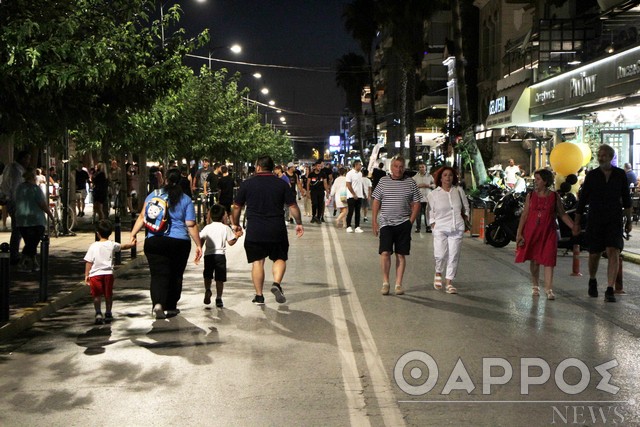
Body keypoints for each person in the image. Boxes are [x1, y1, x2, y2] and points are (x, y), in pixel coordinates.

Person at [130, 169, 203, 319]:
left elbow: (142, 217)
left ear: (165, 180)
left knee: (157, 275)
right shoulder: (185, 199)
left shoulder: (153, 195)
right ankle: (170, 306)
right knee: (176, 275)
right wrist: (199, 245)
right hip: (179, 242)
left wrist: (133, 234)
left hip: (154, 241)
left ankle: (157, 303)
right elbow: (190, 224)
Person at [231, 155, 304, 305]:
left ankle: (259, 296)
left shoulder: (247, 184)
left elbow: (237, 206)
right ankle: (276, 283)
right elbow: (293, 206)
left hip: (255, 229)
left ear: (258, 167)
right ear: (272, 168)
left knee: (257, 262)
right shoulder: (281, 184)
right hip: (276, 228)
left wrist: (235, 224)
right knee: (279, 258)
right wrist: (299, 223)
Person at [573, 144, 632, 302]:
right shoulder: (592, 175)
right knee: (594, 253)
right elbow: (583, 200)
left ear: (611, 157)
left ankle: (610, 288)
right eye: (599, 155)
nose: (600, 158)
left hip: (614, 219)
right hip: (595, 219)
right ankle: (592, 279)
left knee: (614, 251)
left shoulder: (620, 175)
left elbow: (627, 200)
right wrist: (577, 222)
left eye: (604, 155)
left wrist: (629, 221)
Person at [515, 169, 574, 300]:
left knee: (549, 260)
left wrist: (573, 227)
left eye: (538, 179)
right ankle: (535, 285)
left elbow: (562, 214)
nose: (535, 182)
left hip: (549, 232)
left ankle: (549, 289)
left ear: (545, 181)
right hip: (532, 232)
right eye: (535, 179)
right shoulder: (530, 196)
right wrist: (519, 233)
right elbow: (524, 215)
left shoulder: (554, 196)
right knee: (535, 260)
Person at [371, 156, 421, 296]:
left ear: (404, 168)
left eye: (401, 167)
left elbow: (417, 203)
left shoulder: (410, 182)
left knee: (401, 255)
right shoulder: (383, 181)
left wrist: (410, 221)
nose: (398, 169)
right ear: (391, 167)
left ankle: (398, 284)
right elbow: (376, 201)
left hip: (403, 223)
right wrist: (374, 221)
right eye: (396, 166)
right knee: (385, 252)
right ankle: (385, 282)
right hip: (386, 223)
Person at [427, 166, 470, 295]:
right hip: (440, 228)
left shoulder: (458, 191)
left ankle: (449, 282)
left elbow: (466, 206)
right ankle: (438, 273)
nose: (448, 178)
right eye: (445, 175)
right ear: (440, 178)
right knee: (440, 254)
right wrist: (433, 224)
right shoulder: (433, 194)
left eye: (450, 175)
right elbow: (429, 212)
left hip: (456, 227)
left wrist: (466, 217)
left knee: (454, 255)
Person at [84, 219, 136, 324]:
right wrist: (131, 245)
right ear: (110, 232)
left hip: (95, 275)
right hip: (108, 274)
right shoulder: (111, 244)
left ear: (97, 233)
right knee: (108, 295)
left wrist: (86, 275)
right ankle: (108, 312)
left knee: (97, 296)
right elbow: (122, 246)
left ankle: (98, 312)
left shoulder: (93, 246)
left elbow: (88, 262)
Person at [199, 204, 243, 308]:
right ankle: (219, 298)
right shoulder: (225, 228)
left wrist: (199, 248)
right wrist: (237, 236)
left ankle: (208, 289)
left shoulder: (207, 228)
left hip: (208, 255)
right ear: (223, 216)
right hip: (220, 256)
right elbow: (231, 242)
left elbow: (201, 239)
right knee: (220, 278)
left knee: (207, 274)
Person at [14, 168, 54, 272]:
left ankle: (34, 263)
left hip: (22, 219)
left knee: (30, 243)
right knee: (32, 243)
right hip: (36, 220)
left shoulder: (19, 188)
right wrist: (51, 215)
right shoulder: (35, 189)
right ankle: (22, 263)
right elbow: (42, 204)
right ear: (33, 178)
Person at [0, 150, 32, 265]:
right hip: (17, 203)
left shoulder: (13, 168)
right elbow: (16, 189)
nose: (29, 162)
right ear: (22, 159)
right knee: (19, 229)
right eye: (27, 159)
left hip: (14, 202)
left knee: (19, 229)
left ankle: (18, 254)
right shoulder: (16, 170)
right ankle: (16, 255)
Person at [412, 162, 435, 233]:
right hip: (418, 198)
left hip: (428, 198)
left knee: (427, 213)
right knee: (418, 213)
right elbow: (411, 186)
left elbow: (434, 185)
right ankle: (418, 227)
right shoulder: (415, 177)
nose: (421, 168)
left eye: (423, 167)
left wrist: (428, 185)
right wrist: (419, 186)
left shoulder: (430, 176)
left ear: (425, 168)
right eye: (420, 167)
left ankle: (428, 227)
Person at [345, 159, 365, 233]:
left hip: (359, 196)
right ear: (356, 165)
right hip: (351, 196)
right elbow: (348, 185)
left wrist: (363, 194)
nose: (361, 166)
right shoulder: (349, 173)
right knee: (350, 211)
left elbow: (360, 185)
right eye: (360, 164)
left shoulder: (360, 174)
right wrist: (353, 194)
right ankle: (348, 226)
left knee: (358, 212)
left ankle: (357, 226)